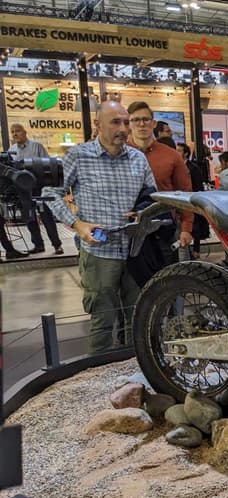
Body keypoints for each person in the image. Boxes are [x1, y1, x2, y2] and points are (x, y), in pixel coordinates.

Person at [42, 100, 156, 353]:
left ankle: (134, 370)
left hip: (135, 252)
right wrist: (76, 223)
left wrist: (143, 212)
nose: (123, 129)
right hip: (99, 253)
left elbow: (152, 196)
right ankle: (97, 372)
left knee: (138, 320)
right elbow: (50, 193)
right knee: (102, 321)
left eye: (126, 122)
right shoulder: (78, 156)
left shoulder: (138, 158)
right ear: (98, 124)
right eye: (115, 122)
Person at [127, 101, 193, 250]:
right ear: (129, 124)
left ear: (153, 123)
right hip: (127, 230)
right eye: (136, 120)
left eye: (146, 119)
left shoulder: (172, 156)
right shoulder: (119, 155)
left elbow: (185, 193)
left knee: (165, 265)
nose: (141, 124)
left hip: (163, 230)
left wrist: (186, 228)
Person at [7, 123, 64, 255]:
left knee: (46, 216)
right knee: (30, 218)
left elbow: (48, 164)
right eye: (12, 132)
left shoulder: (36, 146)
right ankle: (38, 245)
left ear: (25, 132)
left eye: (17, 131)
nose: (15, 134)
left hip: (40, 187)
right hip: (23, 190)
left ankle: (57, 245)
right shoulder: (11, 150)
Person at [177, 142, 210, 258]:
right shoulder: (176, 166)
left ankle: (196, 250)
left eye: (179, 150)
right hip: (179, 198)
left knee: (195, 224)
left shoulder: (193, 167)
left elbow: (198, 185)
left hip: (191, 198)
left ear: (186, 153)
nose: (176, 152)